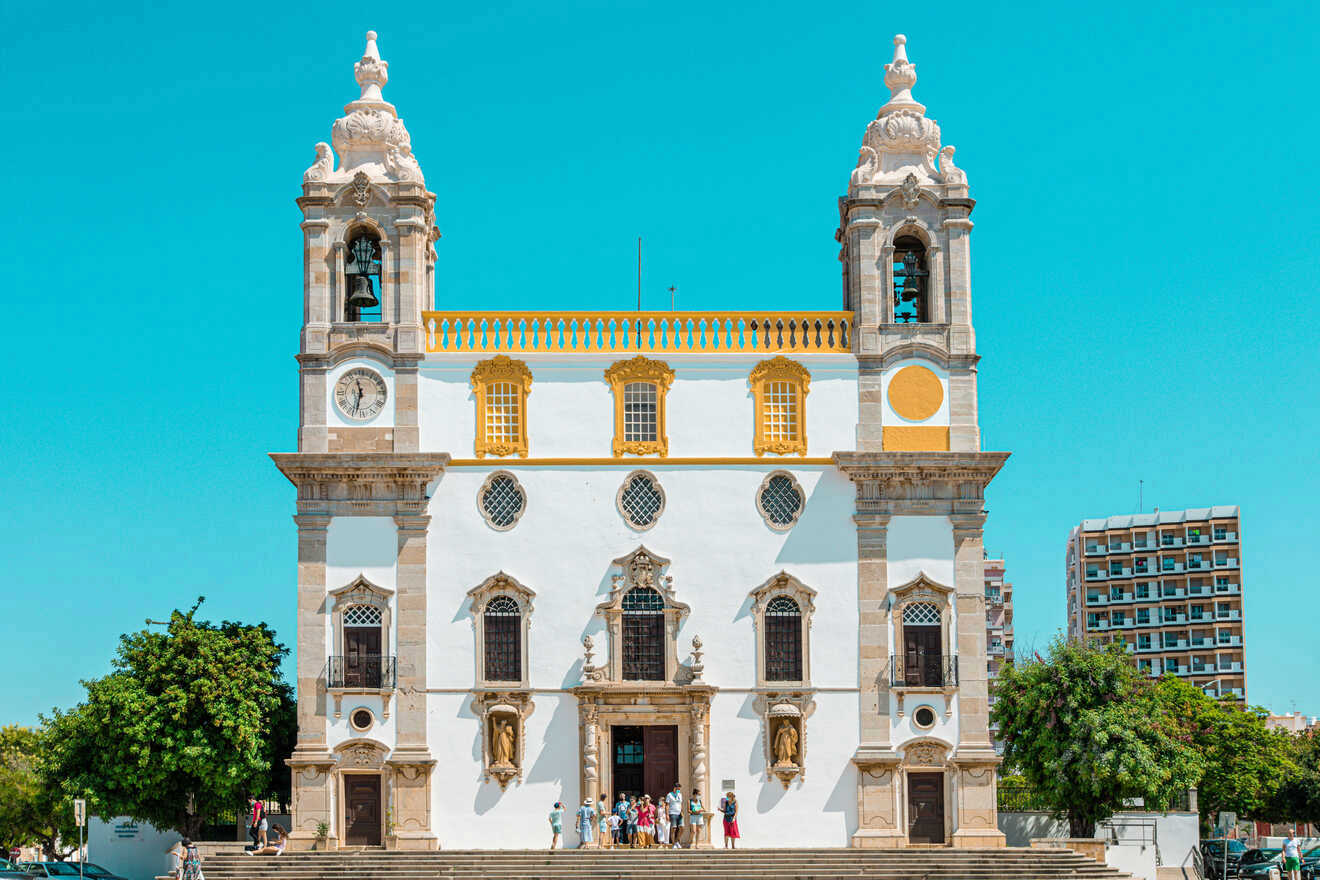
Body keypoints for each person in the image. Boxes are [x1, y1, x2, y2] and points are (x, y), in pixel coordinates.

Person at [665, 783, 683, 848]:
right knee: (674, 828)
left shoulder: (680, 795)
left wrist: (682, 811)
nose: (679, 790)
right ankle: (673, 844)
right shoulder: (669, 795)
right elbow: (667, 805)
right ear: (674, 788)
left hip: (679, 813)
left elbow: (681, 804)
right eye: (678, 789)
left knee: (682, 828)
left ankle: (677, 841)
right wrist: (667, 815)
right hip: (672, 813)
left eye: (679, 789)